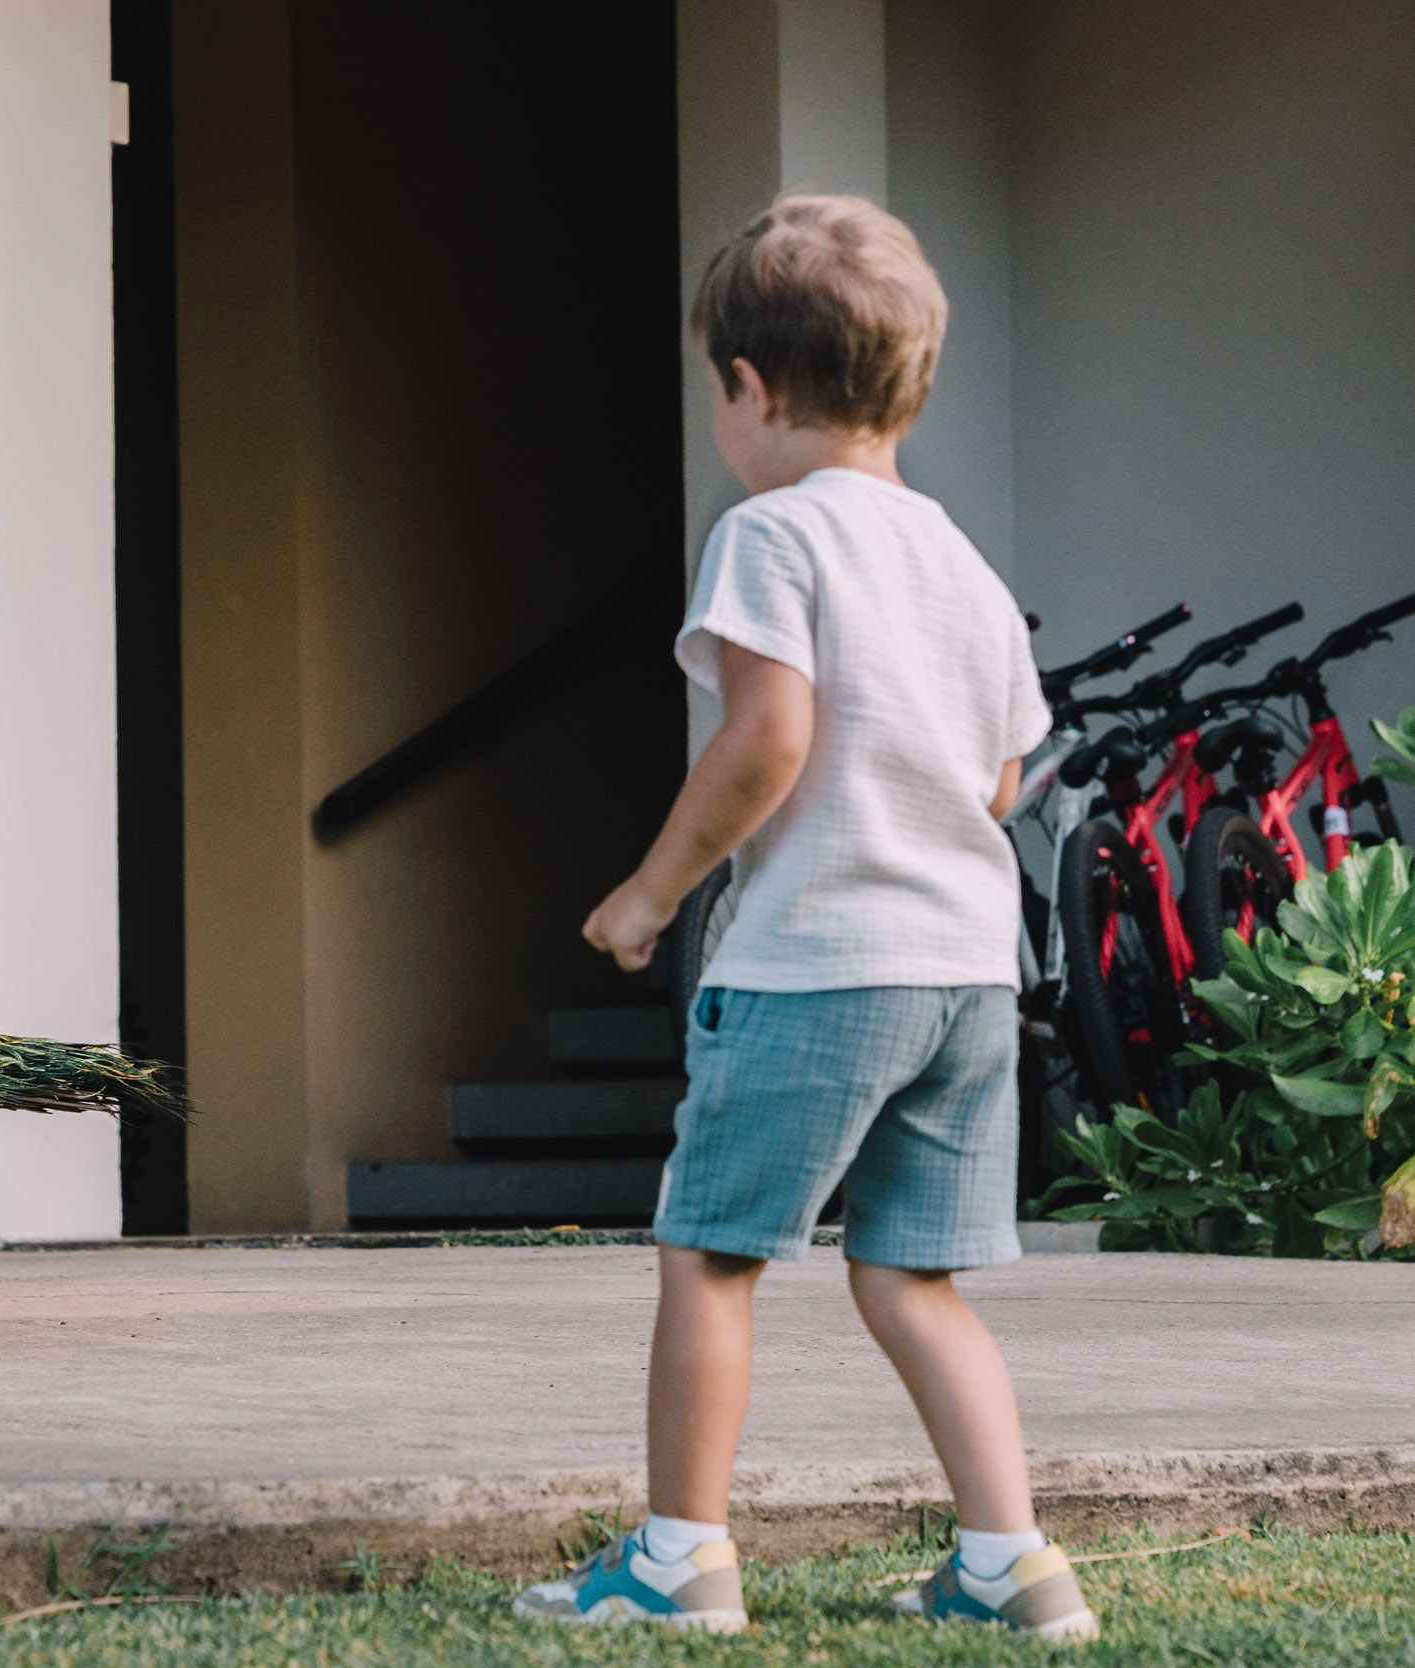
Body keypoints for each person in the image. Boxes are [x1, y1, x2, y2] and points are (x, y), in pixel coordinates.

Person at [511, 195, 1095, 1642]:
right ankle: (1008, 1562)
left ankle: (678, 1562)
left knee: (710, 1252)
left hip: (823, 965)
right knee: (915, 1277)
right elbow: (1010, 765)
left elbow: (767, 739)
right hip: (967, 977)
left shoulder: (773, 537)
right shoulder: (957, 557)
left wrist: (652, 894)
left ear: (751, 388)